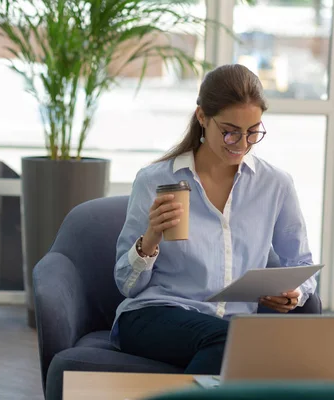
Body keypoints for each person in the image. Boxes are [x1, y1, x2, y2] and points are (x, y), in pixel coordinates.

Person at [109, 64, 317, 375]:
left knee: (255, 348)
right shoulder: (155, 180)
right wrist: (151, 238)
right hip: (155, 314)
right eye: (231, 131)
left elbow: (300, 264)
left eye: (253, 131)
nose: (242, 144)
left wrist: (294, 294)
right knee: (234, 345)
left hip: (233, 324)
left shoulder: (275, 185)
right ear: (202, 117)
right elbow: (127, 285)